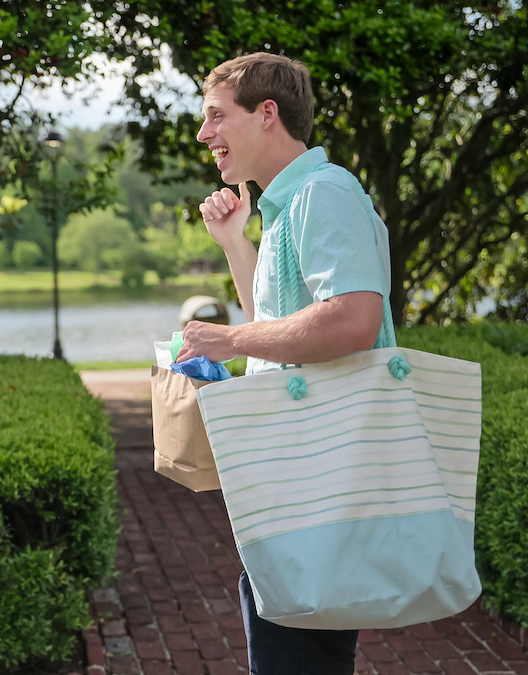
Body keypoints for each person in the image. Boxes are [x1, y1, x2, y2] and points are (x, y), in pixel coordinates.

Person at [176, 53, 395, 674]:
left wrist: (231, 342)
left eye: (217, 116)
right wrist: (235, 243)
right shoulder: (287, 204)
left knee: (296, 656)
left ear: (267, 113)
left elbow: (355, 319)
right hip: (298, 477)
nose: (204, 133)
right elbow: (276, 327)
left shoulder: (324, 194)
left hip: (321, 478)